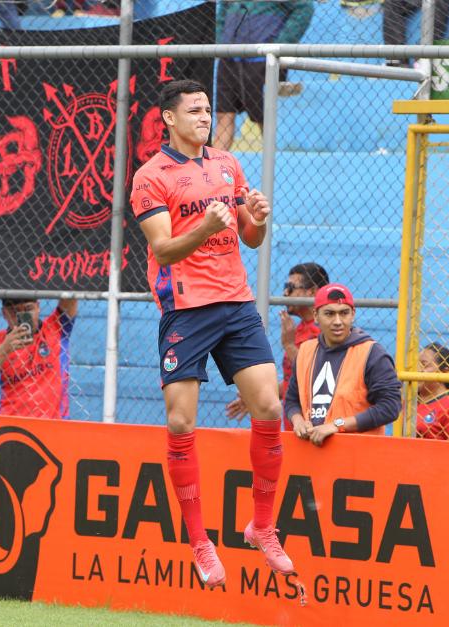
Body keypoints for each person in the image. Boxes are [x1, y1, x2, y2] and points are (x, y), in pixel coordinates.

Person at [129, 78, 306, 599]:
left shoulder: (227, 164)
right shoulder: (150, 177)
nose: (205, 117)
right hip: (186, 308)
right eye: (194, 110)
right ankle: (200, 541)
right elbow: (163, 250)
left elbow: (248, 237)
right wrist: (206, 228)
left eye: (208, 109)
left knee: (269, 407)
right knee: (181, 421)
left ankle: (263, 527)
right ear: (169, 118)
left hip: (236, 302)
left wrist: (260, 221)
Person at [284, 283, 402, 446]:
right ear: (316, 316)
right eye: (329, 314)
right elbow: (291, 400)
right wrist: (298, 421)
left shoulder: (372, 353)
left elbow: (390, 407)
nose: (338, 321)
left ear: (353, 314)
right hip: (312, 451)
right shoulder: (305, 351)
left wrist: (337, 425)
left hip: (358, 453)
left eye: (344, 313)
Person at [225, 262, 329, 426]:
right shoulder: (299, 328)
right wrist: (257, 398)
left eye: (291, 287)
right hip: (293, 425)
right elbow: (291, 381)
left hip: (313, 427)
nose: (285, 293)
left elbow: (315, 375)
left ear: (312, 291)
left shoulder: (325, 331)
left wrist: (289, 346)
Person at [213, 0, 314, 151]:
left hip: (261, 60)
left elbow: (305, 7)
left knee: (263, 118)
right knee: (223, 116)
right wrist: (221, 41)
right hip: (229, 58)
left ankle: (271, 163)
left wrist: (281, 44)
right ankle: (215, 164)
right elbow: (223, 9)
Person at [0, 297, 78, 420]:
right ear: (4, 314)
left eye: (28, 309)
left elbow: (71, 295)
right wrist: (5, 349)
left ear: (38, 307)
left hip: (53, 422)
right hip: (11, 421)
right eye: (14, 311)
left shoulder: (55, 327)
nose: (22, 316)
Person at [414, 343, 449, 441]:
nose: (417, 370)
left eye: (424, 365)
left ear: (444, 372)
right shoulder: (410, 400)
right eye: (416, 365)